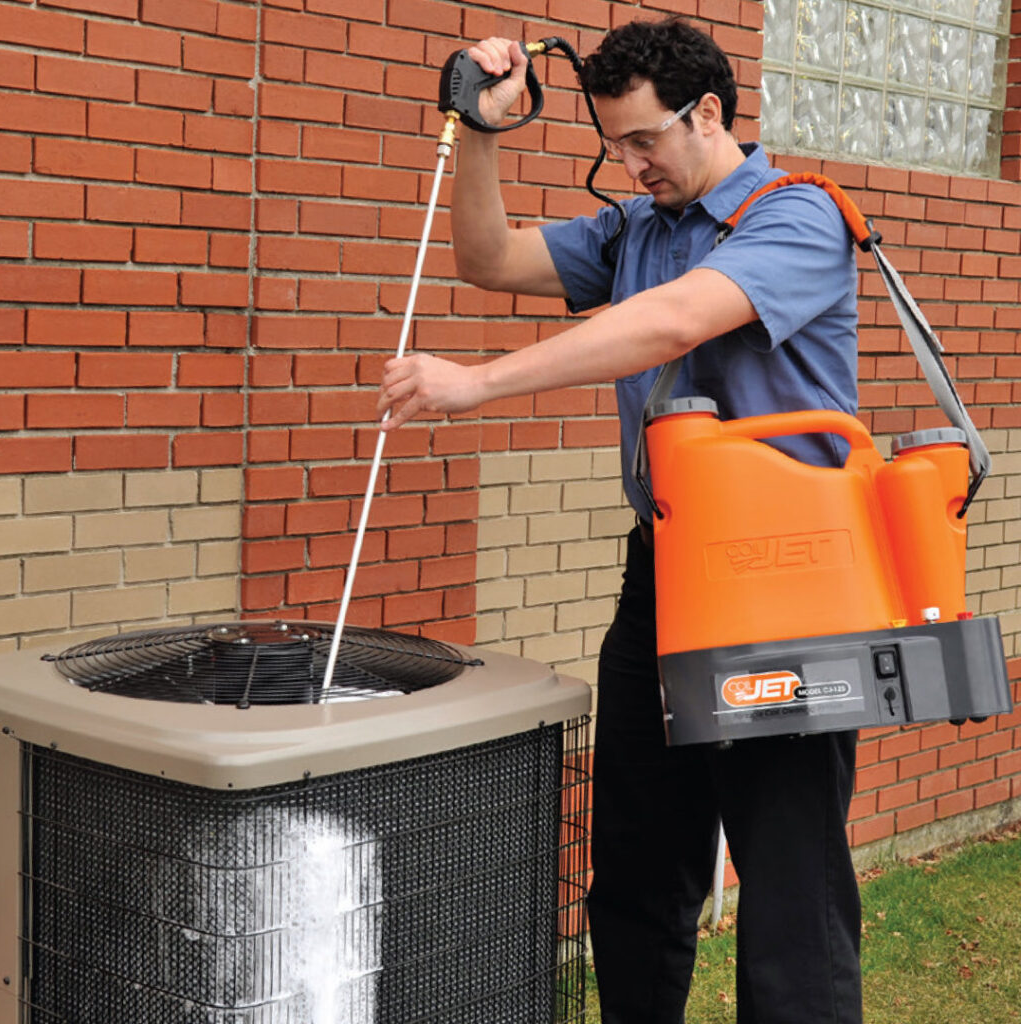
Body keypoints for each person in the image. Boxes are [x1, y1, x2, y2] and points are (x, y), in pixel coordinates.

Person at [378, 17, 863, 1024]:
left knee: (789, 890)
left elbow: (676, 319)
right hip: (665, 574)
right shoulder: (638, 226)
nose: (627, 164)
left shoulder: (796, 216)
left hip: (789, 580)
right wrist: (478, 129)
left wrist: (478, 384)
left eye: (644, 141)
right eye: (611, 145)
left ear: (710, 114)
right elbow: (488, 259)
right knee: (637, 867)